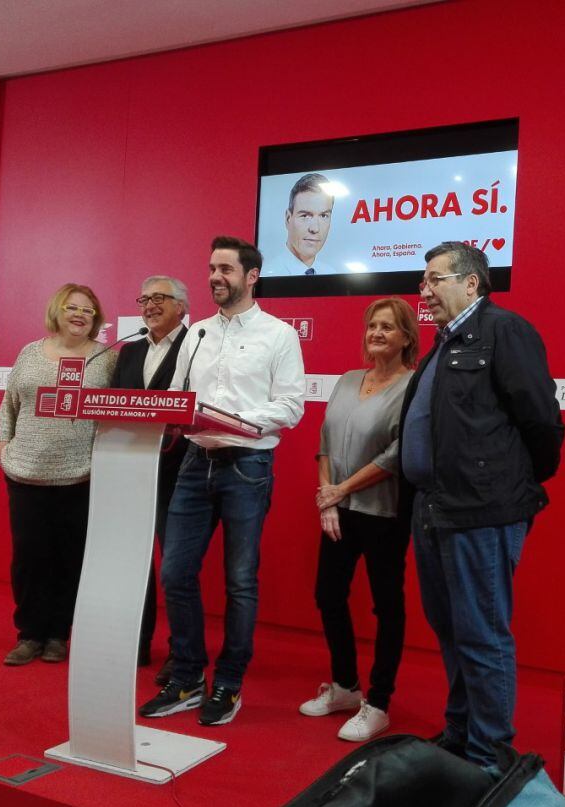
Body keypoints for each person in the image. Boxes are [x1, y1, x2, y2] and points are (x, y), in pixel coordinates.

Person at [398, 242, 565, 769]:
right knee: (451, 630)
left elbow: (541, 419)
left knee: (482, 632)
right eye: (423, 282)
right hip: (435, 508)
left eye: (434, 280)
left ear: (471, 284)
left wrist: (503, 485)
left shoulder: (504, 331)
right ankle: (461, 730)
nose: (423, 292)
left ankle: (489, 757)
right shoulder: (444, 343)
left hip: (481, 510)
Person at [138, 235, 305, 725]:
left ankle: (229, 682)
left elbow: (291, 404)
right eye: (212, 268)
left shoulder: (279, 334)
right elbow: (176, 394)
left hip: (247, 465)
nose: (216, 277)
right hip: (194, 463)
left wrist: (237, 422)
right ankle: (188, 676)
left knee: (239, 582)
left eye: (226, 270)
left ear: (251, 276)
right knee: (174, 572)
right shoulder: (198, 334)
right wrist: (169, 414)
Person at [300, 298, 419, 742]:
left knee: (386, 607)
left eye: (388, 327)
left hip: (384, 512)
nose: (377, 333)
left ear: (407, 336)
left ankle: (379, 702)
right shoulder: (349, 380)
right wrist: (328, 500)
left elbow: (398, 453)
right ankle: (346, 687)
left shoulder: (413, 386)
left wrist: (341, 490)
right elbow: (325, 439)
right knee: (328, 595)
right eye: (373, 325)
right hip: (338, 512)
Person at [0, 283, 116, 666]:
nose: (80, 315)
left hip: (79, 477)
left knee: (69, 559)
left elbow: (116, 415)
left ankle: (58, 635)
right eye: (72, 307)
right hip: (25, 474)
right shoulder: (30, 353)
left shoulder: (106, 359)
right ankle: (29, 634)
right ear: (57, 311)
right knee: (29, 558)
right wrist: (4, 450)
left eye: (88, 311)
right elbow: (9, 406)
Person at [111, 275, 190, 676]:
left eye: (160, 298)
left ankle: (181, 653)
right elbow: (111, 406)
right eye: (144, 298)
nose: (149, 305)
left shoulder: (198, 346)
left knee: (174, 567)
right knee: (133, 563)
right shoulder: (129, 350)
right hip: (129, 471)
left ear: (182, 307)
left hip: (177, 474)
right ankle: (134, 643)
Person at [261, 173, 337, 276]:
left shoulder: (331, 273)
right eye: (305, 215)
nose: (315, 228)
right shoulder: (266, 274)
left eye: (323, 215)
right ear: (288, 218)